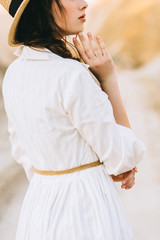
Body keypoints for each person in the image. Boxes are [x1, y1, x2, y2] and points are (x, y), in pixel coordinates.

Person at [1, 0, 146, 239]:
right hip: (86, 206)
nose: (84, 3)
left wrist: (57, 177)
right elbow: (121, 157)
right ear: (43, 7)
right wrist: (108, 78)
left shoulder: (14, 74)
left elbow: (23, 152)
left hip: (39, 207)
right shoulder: (71, 75)